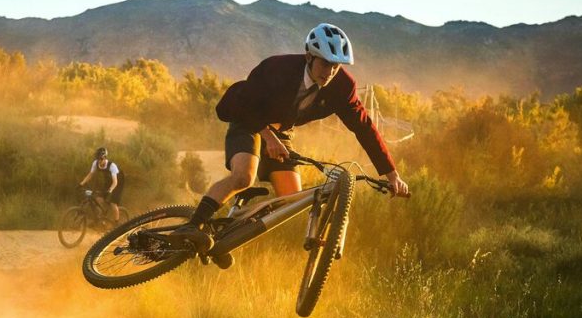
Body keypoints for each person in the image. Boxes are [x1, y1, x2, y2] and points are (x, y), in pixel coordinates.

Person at [174, 23, 409, 259]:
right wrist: (268, 136)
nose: (329, 72)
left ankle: (225, 239)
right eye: (325, 63)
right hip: (249, 120)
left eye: (336, 66)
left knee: (291, 202)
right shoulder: (277, 68)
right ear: (309, 56)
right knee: (243, 176)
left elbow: (365, 128)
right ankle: (191, 226)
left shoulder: (343, 87)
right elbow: (240, 104)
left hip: (282, 133)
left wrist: (392, 175)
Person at [78, 147, 124, 223]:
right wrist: (81, 184)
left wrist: (110, 190)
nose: (99, 161)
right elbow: (90, 175)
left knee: (113, 202)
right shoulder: (95, 163)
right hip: (108, 180)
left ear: (105, 158)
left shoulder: (112, 166)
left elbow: (115, 182)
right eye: (98, 159)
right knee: (99, 198)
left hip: (118, 181)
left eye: (101, 159)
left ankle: (117, 223)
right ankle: (101, 219)